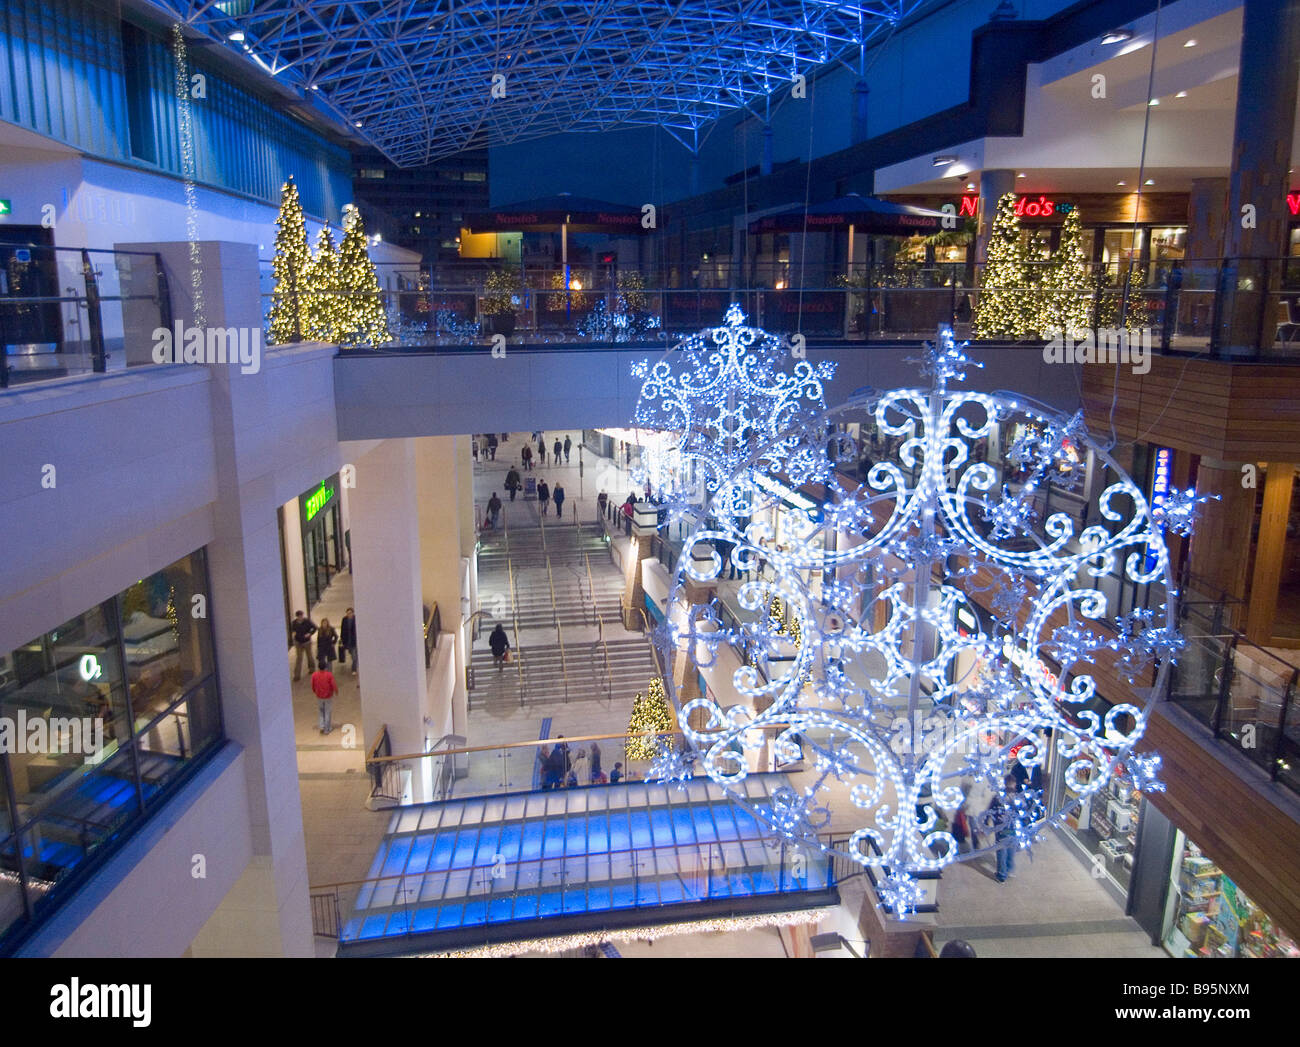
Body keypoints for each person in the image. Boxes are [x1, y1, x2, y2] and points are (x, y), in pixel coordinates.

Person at [311, 662, 338, 734]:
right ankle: (327, 729)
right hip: (328, 696)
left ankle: (322, 726)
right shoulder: (329, 675)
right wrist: (336, 691)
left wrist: (314, 691)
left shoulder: (314, 675)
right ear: (325, 667)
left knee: (321, 712)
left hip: (319, 696)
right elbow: (333, 684)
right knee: (327, 712)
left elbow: (313, 685)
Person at [290, 610, 317, 681]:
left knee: (309, 656)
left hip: (307, 642)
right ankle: (297, 675)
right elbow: (293, 630)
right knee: (299, 658)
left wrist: (309, 633)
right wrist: (294, 634)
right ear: (297, 617)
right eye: (299, 616)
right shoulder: (294, 623)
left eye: (301, 616)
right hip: (298, 642)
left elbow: (315, 628)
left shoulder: (307, 621)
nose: (300, 617)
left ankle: (312, 668)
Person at [340, 608, 358, 675]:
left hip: (354, 640)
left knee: (354, 656)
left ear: (353, 613)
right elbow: (342, 630)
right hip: (347, 641)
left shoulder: (355, 619)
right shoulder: (344, 619)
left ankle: (354, 669)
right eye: (347, 613)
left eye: (350, 613)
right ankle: (355, 664)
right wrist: (341, 639)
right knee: (351, 653)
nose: (348, 614)